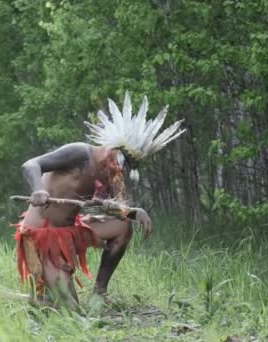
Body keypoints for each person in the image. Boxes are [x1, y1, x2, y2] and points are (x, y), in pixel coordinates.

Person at [13, 92, 185, 310]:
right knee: (71, 311)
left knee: (122, 226)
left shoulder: (110, 172)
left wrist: (134, 212)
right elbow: (31, 165)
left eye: (127, 166)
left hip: (69, 232)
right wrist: (38, 190)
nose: (121, 170)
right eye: (122, 162)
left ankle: (100, 292)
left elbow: (108, 209)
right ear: (112, 150)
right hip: (41, 236)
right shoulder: (80, 153)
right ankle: (43, 299)